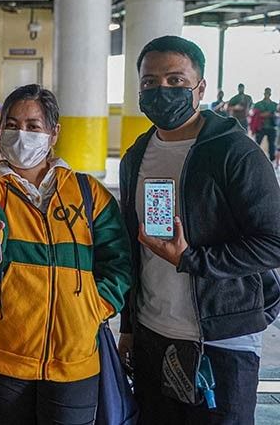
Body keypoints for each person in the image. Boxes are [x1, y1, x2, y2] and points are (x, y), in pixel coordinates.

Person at [117, 35, 280, 424]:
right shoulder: (137, 155)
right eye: (150, 82)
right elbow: (130, 246)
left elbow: (273, 242)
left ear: (200, 87)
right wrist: (128, 326)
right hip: (152, 333)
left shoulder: (234, 152)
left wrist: (192, 259)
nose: (162, 90)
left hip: (222, 339)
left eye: (176, 81)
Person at [0, 84, 131, 424]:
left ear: (53, 133)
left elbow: (118, 260)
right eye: (12, 124)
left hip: (75, 355)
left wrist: (94, 306)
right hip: (6, 352)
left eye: (33, 126)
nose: (21, 134)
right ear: (0, 128)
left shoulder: (87, 192)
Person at [253, 87, 277, 161]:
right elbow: (255, 114)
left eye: (269, 93)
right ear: (264, 93)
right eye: (266, 93)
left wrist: (267, 114)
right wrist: (267, 114)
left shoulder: (274, 105)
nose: (267, 94)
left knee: (272, 146)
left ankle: (272, 161)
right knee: (257, 144)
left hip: (271, 127)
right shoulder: (258, 104)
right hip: (261, 127)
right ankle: (255, 159)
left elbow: (276, 114)